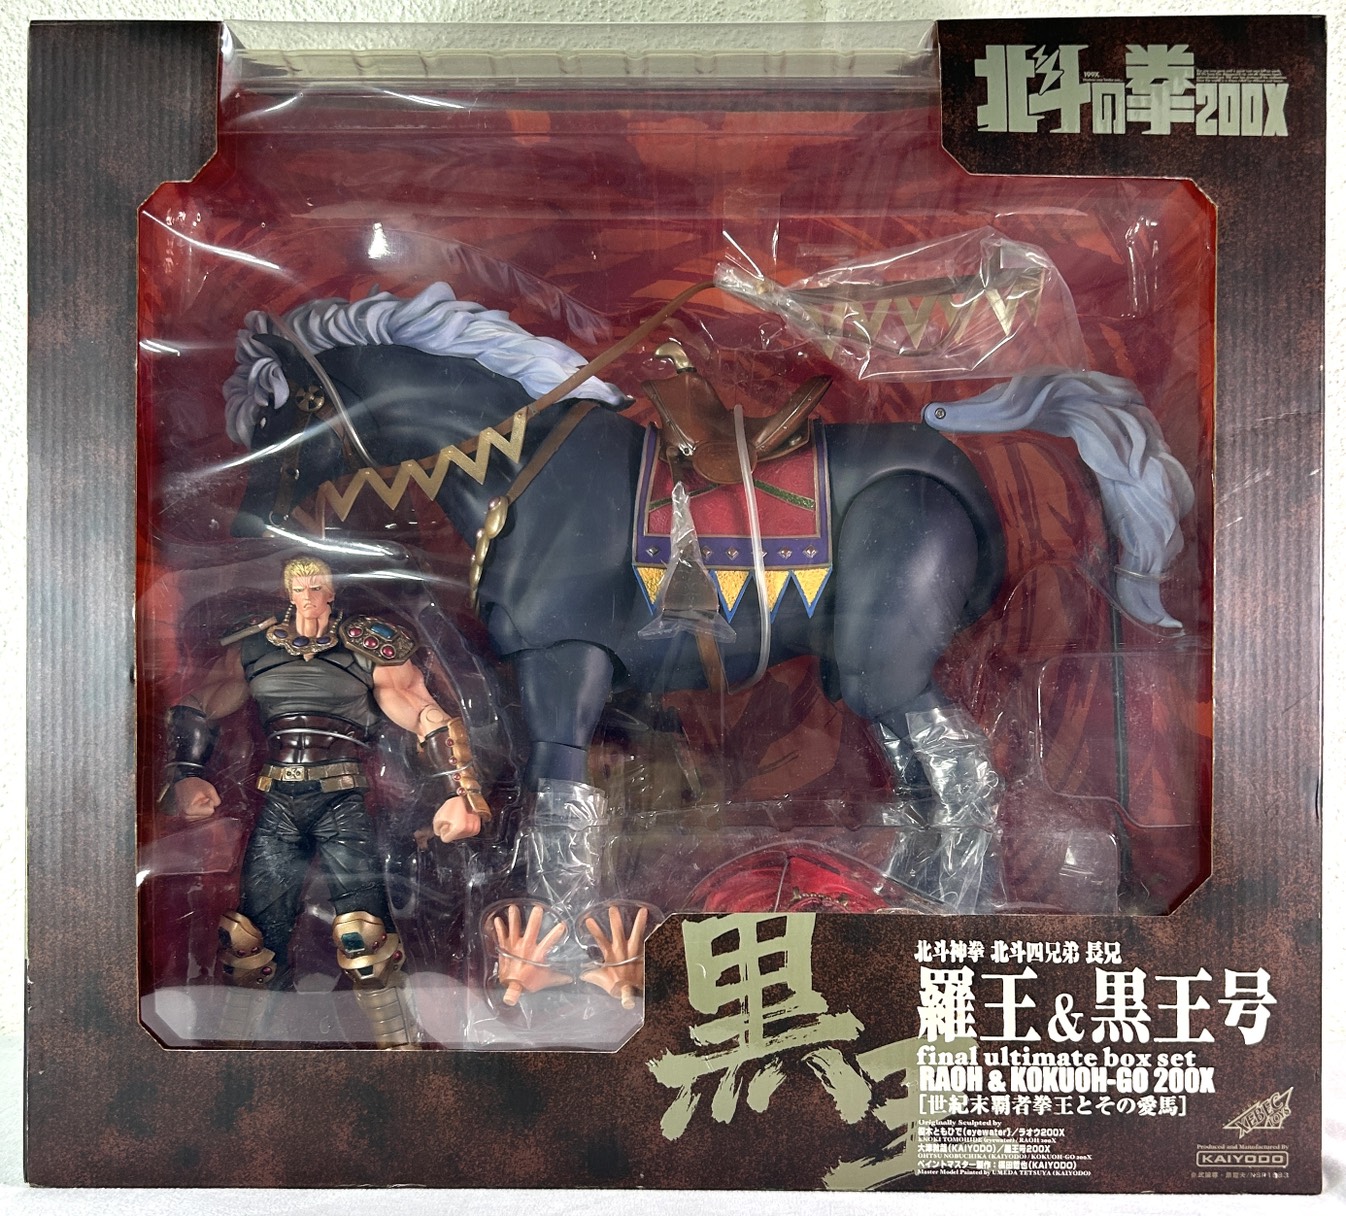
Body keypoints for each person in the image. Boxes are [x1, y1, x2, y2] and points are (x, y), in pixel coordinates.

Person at [162, 556, 487, 1047]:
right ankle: (233, 1057)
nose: (308, 596)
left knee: (365, 938)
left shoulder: (368, 644)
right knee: (249, 942)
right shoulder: (254, 644)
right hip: (278, 800)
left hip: (341, 801)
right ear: (287, 593)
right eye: (299, 588)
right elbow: (197, 704)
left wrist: (461, 793)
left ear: (332, 592)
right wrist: (184, 776)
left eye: (317, 587)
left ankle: (401, 1053)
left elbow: (423, 712)